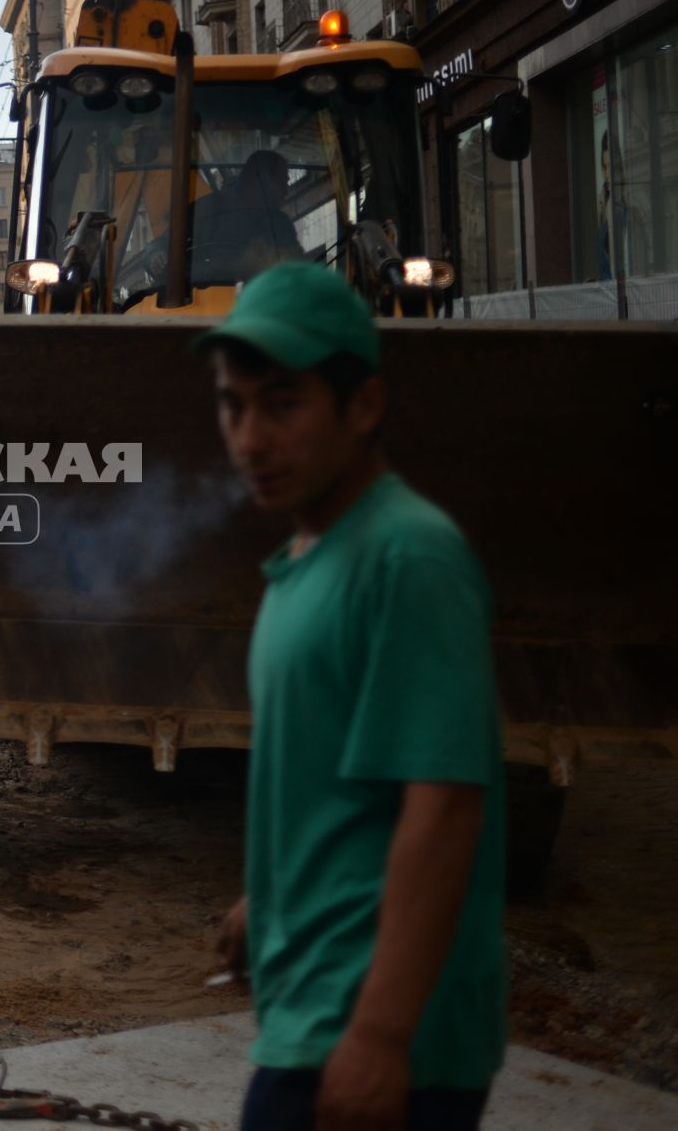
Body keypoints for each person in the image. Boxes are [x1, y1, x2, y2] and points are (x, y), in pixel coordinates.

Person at [194, 262, 506, 1131]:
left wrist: (380, 1036)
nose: (248, 438)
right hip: (317, 1005)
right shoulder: (311, 557)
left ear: (363, 407)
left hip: (376, 1034)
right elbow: (348, 782)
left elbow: (443, 807)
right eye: (233, 404)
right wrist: (275, 898)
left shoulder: (407, 559)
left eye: (282, 404)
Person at [193, 150, 305, 285]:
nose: (286, 191)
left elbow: (297, 271)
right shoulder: (209, 208)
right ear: (261, 180)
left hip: (267, 300)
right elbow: (168, 250)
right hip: (208, 297)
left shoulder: (281, 224)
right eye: (281, 182)